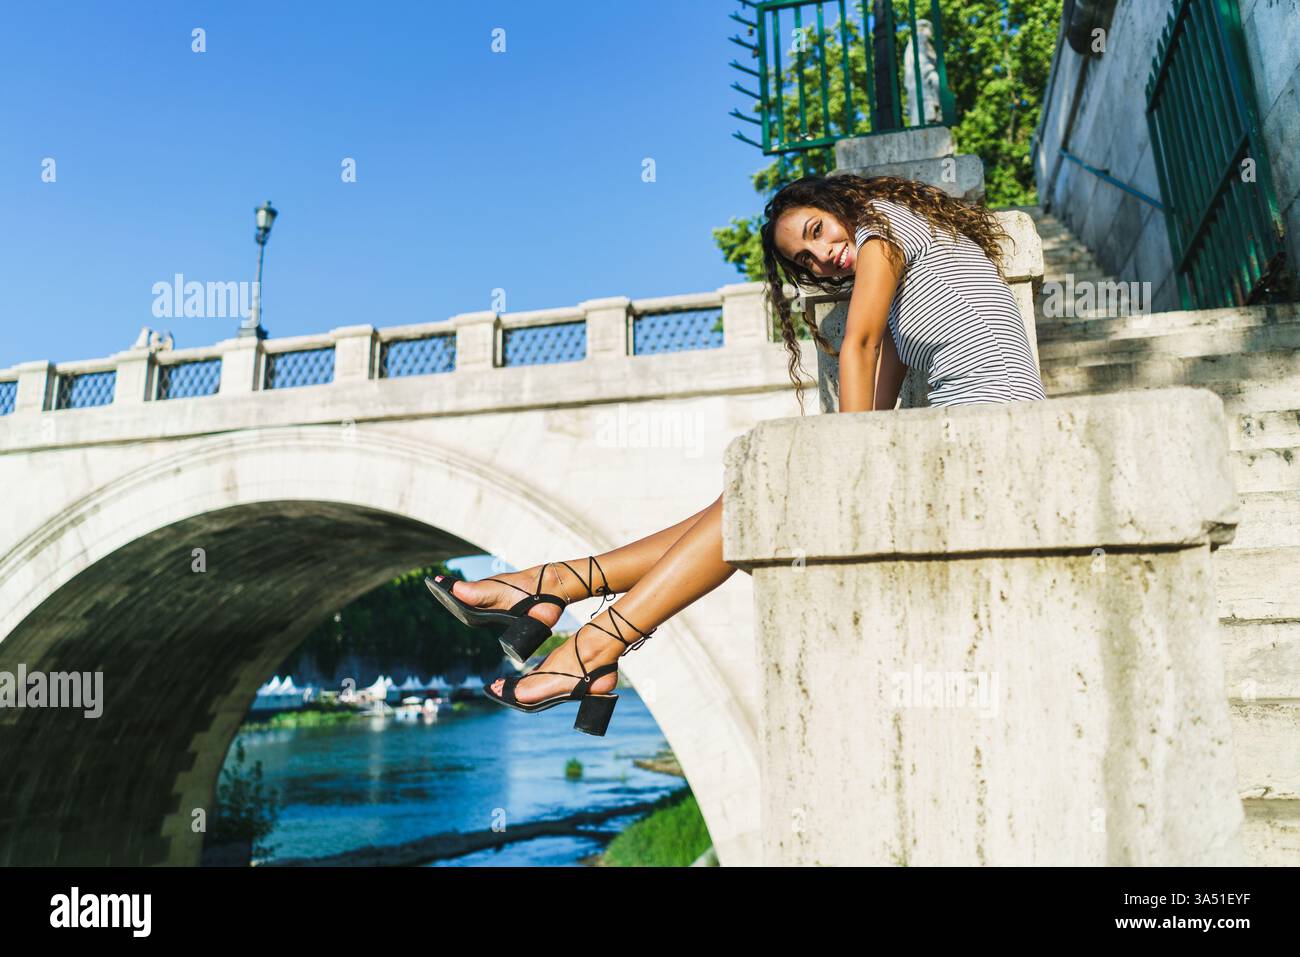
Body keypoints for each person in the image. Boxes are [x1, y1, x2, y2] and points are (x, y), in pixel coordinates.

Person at [426, 173, 1047, 735]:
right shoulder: (900, 285)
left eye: (818, 232)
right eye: (806, 260)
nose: (824, 257)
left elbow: (857, 351)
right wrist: (834, 457)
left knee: (762, 486)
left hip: (988, 444)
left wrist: (841, 465)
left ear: (842, 206)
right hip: (962, 441)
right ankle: (570, 609)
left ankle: (572, 615)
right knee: (755, 494)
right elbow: (870, 405)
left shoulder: (885, 223)